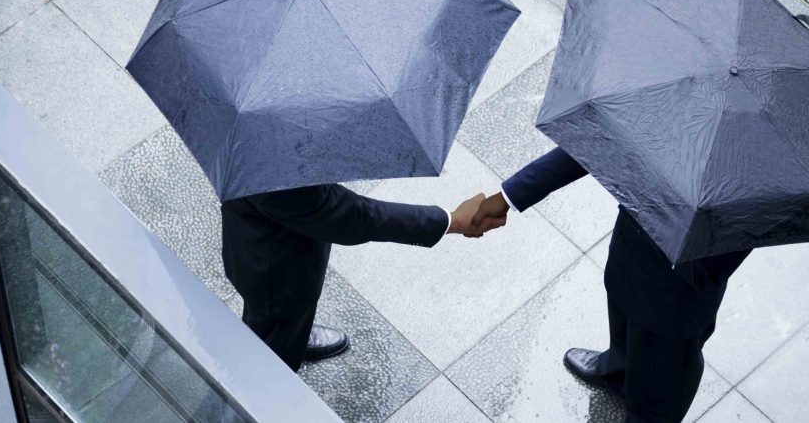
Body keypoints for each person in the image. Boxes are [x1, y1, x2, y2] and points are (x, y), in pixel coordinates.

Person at [471, 148, 749, 423]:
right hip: (633, 241)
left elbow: (760, 219)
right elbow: (598, 137)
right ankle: (618, 371)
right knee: (623, 319)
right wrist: (509, 196)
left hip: (681, 285)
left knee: (661, 387)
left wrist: (696, 266)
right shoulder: (671, 103)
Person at [223, 185, 503, 371]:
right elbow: (355, 217)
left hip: (256, 247)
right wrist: (452, 220)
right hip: (278, 277)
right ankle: (271, 365)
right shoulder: (282, 176)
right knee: (273, 345)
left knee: (275, 322)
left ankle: (285, 340)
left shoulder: (244, 138)